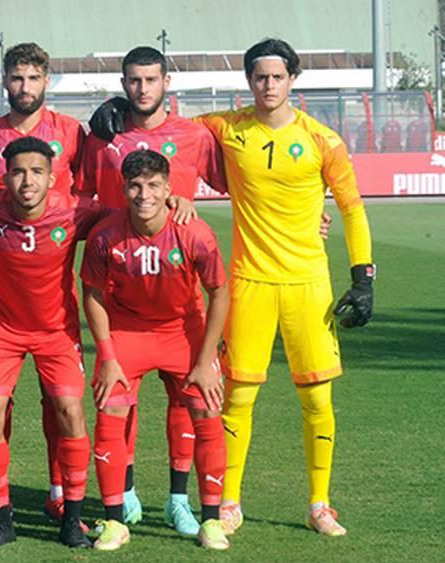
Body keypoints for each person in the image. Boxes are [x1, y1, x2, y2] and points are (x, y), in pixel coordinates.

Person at [191, 38, 374, 538]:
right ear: (248, 81)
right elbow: (169, 131)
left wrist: (363, 277)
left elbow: (352, 208)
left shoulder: (322, 140)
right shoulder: (226, 127)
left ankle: (320, 504)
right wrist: (121, 111)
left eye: (277, 77)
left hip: (308, 286)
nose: (268, 85)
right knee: (238, 399)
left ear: (293, 79)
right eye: (260, 77)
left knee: (317, 400)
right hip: (249, 283)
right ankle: (229, 502)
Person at [78, 45, 226, 536]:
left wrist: (310, 215)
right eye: (134, 80)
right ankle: (124, 495)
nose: (142, 89)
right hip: (121, 290)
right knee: (119, 404)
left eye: (151, 79)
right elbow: (80, 194)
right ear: (123, 84)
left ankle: (180, 501)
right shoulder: (104, 135)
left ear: (167, 83)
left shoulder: (194, 135)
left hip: (180, 301)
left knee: (190, 403)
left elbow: (242, 184)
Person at [0, 41, 84, 529]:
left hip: (54, 295)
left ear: (46, 81)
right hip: (0, 294)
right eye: (16, 77)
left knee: (60, 401)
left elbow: (98, 197)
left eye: (33, 78)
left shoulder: (72, 134)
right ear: (4, 81)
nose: (24, 87)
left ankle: (60, 493)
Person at [0, 136, 105, 550]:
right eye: (19, 172)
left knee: (71, 411)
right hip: (0, 330)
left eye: (37, 172)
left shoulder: (76, 211)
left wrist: (175, 202)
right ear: (5, 178)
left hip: (56, 331)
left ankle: (71, 519)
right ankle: (0, 518)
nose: (28, 181)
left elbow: (127, 213)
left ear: (52, 178)